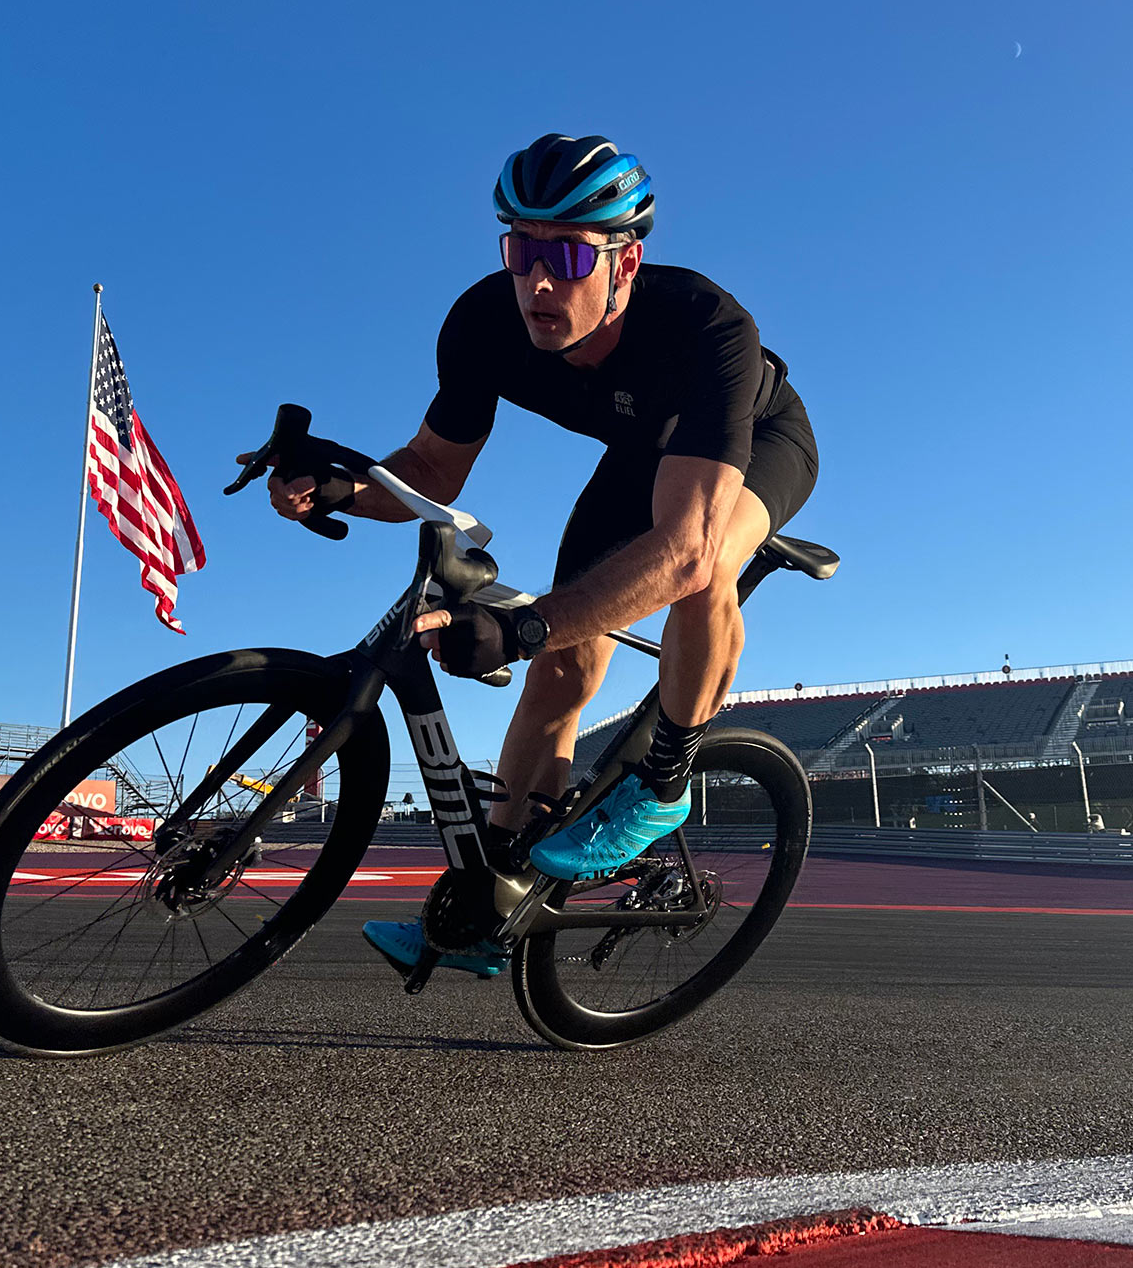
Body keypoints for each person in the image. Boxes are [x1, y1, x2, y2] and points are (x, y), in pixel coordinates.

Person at [246, 134, 819, 976]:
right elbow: (431, 470)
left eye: (567, 255)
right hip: (638, 455)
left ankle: (664, 782)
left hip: (757, 441)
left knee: (702, 566)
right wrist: (338, 489)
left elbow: (685, 549)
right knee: (562, 669)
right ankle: (492, 901)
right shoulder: (484, 321)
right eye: (521, 249)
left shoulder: (708, 327)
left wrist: (519, 628)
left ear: (626, 264)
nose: (538, 281)